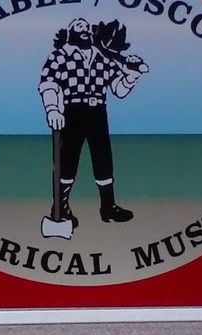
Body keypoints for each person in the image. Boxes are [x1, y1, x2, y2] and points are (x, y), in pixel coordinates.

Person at [38, 18, 146, 228]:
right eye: (79, 27)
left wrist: (132, 75)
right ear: (71, 32)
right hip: (71, 112)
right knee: (66, 161)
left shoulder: (102, 58)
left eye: (87, 28)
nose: (85, 30)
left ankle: (108, 207)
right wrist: (52, 109)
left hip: (98, 113)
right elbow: (48, 83)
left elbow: (119, 89)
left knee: (103, 159)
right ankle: (60, 208)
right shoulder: (60, 56)